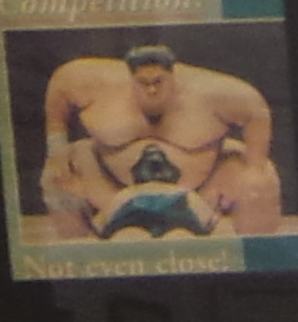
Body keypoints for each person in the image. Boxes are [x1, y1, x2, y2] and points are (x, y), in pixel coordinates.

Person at [37, 45, 279, 240]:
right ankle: (78, 255)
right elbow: (59, 87)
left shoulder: (214, 90)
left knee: (261, 177)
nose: (152, 89)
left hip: (203, 190)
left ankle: (255, 256)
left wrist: (255, 168)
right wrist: (56, 148)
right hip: (109, 189)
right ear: (131, 77)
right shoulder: (91, 79)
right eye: (144, 83)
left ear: (173, 76)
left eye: (158, 82)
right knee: (55, 174)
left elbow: (256, 112)